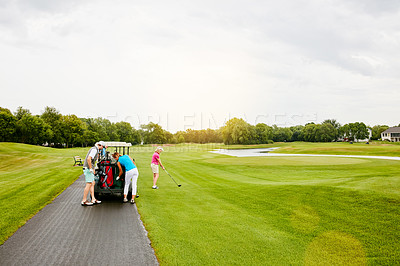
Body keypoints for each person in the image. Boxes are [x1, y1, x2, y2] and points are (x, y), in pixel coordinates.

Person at [81, 141, 105, 206]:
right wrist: (90, 168)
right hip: (88, 168)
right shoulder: (94, 149)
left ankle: (93, 199)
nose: (102, 148)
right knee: (89, 184)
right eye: (102, 147)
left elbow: (92, 161)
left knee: (92, 183)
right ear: (100, 145)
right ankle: (84, 200)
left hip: (90, 168)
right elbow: (89, 159)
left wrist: (93, 168)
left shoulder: (95, 149)